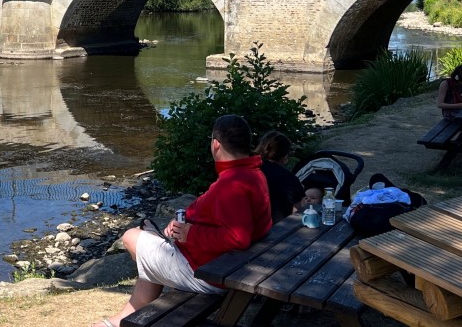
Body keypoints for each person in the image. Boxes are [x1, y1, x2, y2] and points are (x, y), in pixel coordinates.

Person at [91, 115, 272, 327]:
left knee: (131, 237)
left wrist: (188, 233)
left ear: (215, 144)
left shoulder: (231, 184)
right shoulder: (252, 173)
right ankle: (123, 317)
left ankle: (128, 316)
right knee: (151, 256)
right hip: (228, 266)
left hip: (211, 274)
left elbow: (237, 238)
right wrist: (188, 219)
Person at [254, 131, 304, 223]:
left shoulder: (249, 170)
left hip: (248, 229)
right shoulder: (290, 179)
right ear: (285, 157)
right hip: (279, 232)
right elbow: (297, 212)